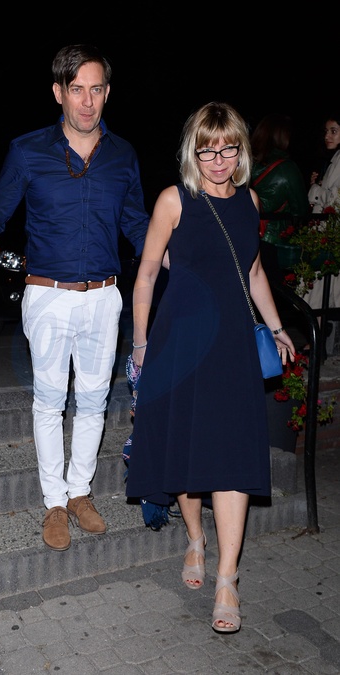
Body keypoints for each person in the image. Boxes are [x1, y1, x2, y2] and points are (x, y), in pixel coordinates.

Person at [0, 44, 151, 552]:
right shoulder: (28, 151)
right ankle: (54, 502)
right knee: (49, 401)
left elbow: (138, 225)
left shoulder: (123, 155)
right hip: (48, 297)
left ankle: (80, 493)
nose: (87, 101)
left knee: (93, 401)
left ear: (107, 93)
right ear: (58, 92)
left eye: (96, 89)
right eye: (77, 89)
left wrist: (180, 261)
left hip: (104, 298)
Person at [125, 102, 295, 634]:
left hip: (232, 348)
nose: (218, 161)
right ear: (192, 152)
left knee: (233, 454)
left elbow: (254, 271)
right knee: (187, 447)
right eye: (207, 151)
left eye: (228, 150)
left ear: (241, 149)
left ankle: (227, 579)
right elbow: (146, 274)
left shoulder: (249, 201)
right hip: (180, 343)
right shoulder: (174, 200)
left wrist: (277, 326)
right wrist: (140, 344)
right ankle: (195, 539)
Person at [250, 113, 310, 283]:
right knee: (273, 289)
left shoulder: (244, 162)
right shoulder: (287, 168)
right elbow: (301, 211)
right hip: (273, 241)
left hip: (247, 235)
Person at [304, 113, 340, 313]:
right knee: (319, 290)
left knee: (322, 291)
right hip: (324, 234)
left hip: (330, 234)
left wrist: (315, 190)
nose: (328, 136)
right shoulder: (334, 159)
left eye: (334, 131)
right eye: (326, 131)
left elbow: (335, 200)